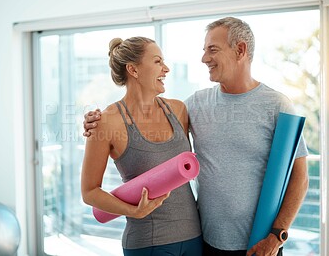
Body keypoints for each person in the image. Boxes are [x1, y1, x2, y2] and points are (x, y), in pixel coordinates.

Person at [83, 17, 309, 256]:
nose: (204, 58)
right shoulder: (195, 106)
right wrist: (95, 121)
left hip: (261, 245)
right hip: (207, 242)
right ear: (133, 69)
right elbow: (144, 122)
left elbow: (300, 178)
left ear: (240, 50)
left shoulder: (276, 104)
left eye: (212, 49)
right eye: (204, 50)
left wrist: (277, 236)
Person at [80, 36, 202, 256]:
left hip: (194, 236)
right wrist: (132, 211)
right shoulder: (106, 121)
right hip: (148, 243)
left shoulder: (178, 110)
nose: (166, 69)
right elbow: (89, 192)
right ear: (133, 70)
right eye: (157, 62)